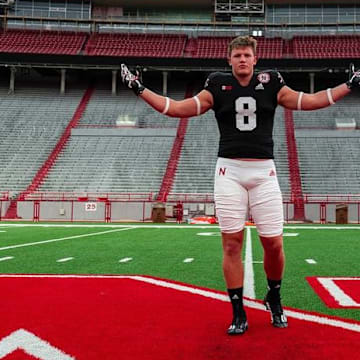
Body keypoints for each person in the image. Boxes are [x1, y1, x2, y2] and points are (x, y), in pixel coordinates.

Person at [120, 35, 360, 335]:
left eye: (247, 55)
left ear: (255, 58)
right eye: (237, 56)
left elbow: (307, 101)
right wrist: (139, 89)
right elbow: (177, 108)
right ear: (229, 59)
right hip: (229, 171)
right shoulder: (217, 85)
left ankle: (274, 295)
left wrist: (347, 87)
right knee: (231, 243)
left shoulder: (271, 82)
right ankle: (237, 310)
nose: (243, 60)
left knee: (273, 243)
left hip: (264, 172)